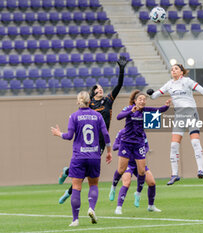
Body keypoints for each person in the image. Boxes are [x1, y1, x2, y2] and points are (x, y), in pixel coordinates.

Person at [58, 56, 128, 204]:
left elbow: (119, 85)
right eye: (97, 88)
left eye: (101, 88)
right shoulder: (89, 107)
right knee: (82, 173)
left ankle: (67, 176)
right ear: (93, 93)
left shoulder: (108, 100)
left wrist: (121, 70)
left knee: (85, 173)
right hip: (89, 141)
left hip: (101, 142)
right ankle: (68, 187)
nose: (100, 89)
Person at [146, 64, 203, 185]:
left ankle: (200, 170)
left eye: (176, 69)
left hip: (191, 114)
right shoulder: (169, 84)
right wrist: (150, 93)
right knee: (173, 146)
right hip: (179, 116)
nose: (173, 70)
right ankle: (174, 175)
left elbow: (201, 90)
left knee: (195, 142)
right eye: (172, 69)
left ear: (181, 72)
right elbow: (154, 96)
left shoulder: (187, 81)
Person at [50, 91, 112, 227]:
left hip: (79, 156)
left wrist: (58, 133)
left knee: (76, 187)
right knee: (93, 185)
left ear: (78, 102)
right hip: (94, 156)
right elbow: (106, 134)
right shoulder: (97, 116)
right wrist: (108, 151)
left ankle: (75, 220)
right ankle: (91, 208)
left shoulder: (74, 116)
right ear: (90, 101)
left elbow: (69, 136)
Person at [110, 90, 170, 203]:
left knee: (142, 171)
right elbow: (118, 117)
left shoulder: (146, 111)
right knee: (121, 170)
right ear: (135, 101)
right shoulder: (129, 108)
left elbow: (159, 110)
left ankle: (138, 193)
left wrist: (166, 106)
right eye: (140, 99)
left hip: (138, 144)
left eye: (144, 99)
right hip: (126, 143)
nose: (142, 101)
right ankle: (113, 187)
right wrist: (130, 112)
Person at [111, 128, 161, 214]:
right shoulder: (122, 132)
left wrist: (140, 152)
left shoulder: (141, 132)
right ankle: (118, 208)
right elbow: (115, 146)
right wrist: (126, 147)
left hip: (139, 162)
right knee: (126, 183)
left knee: (152, 182)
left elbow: (146, 146)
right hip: (128, 163)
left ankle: (151, 206)